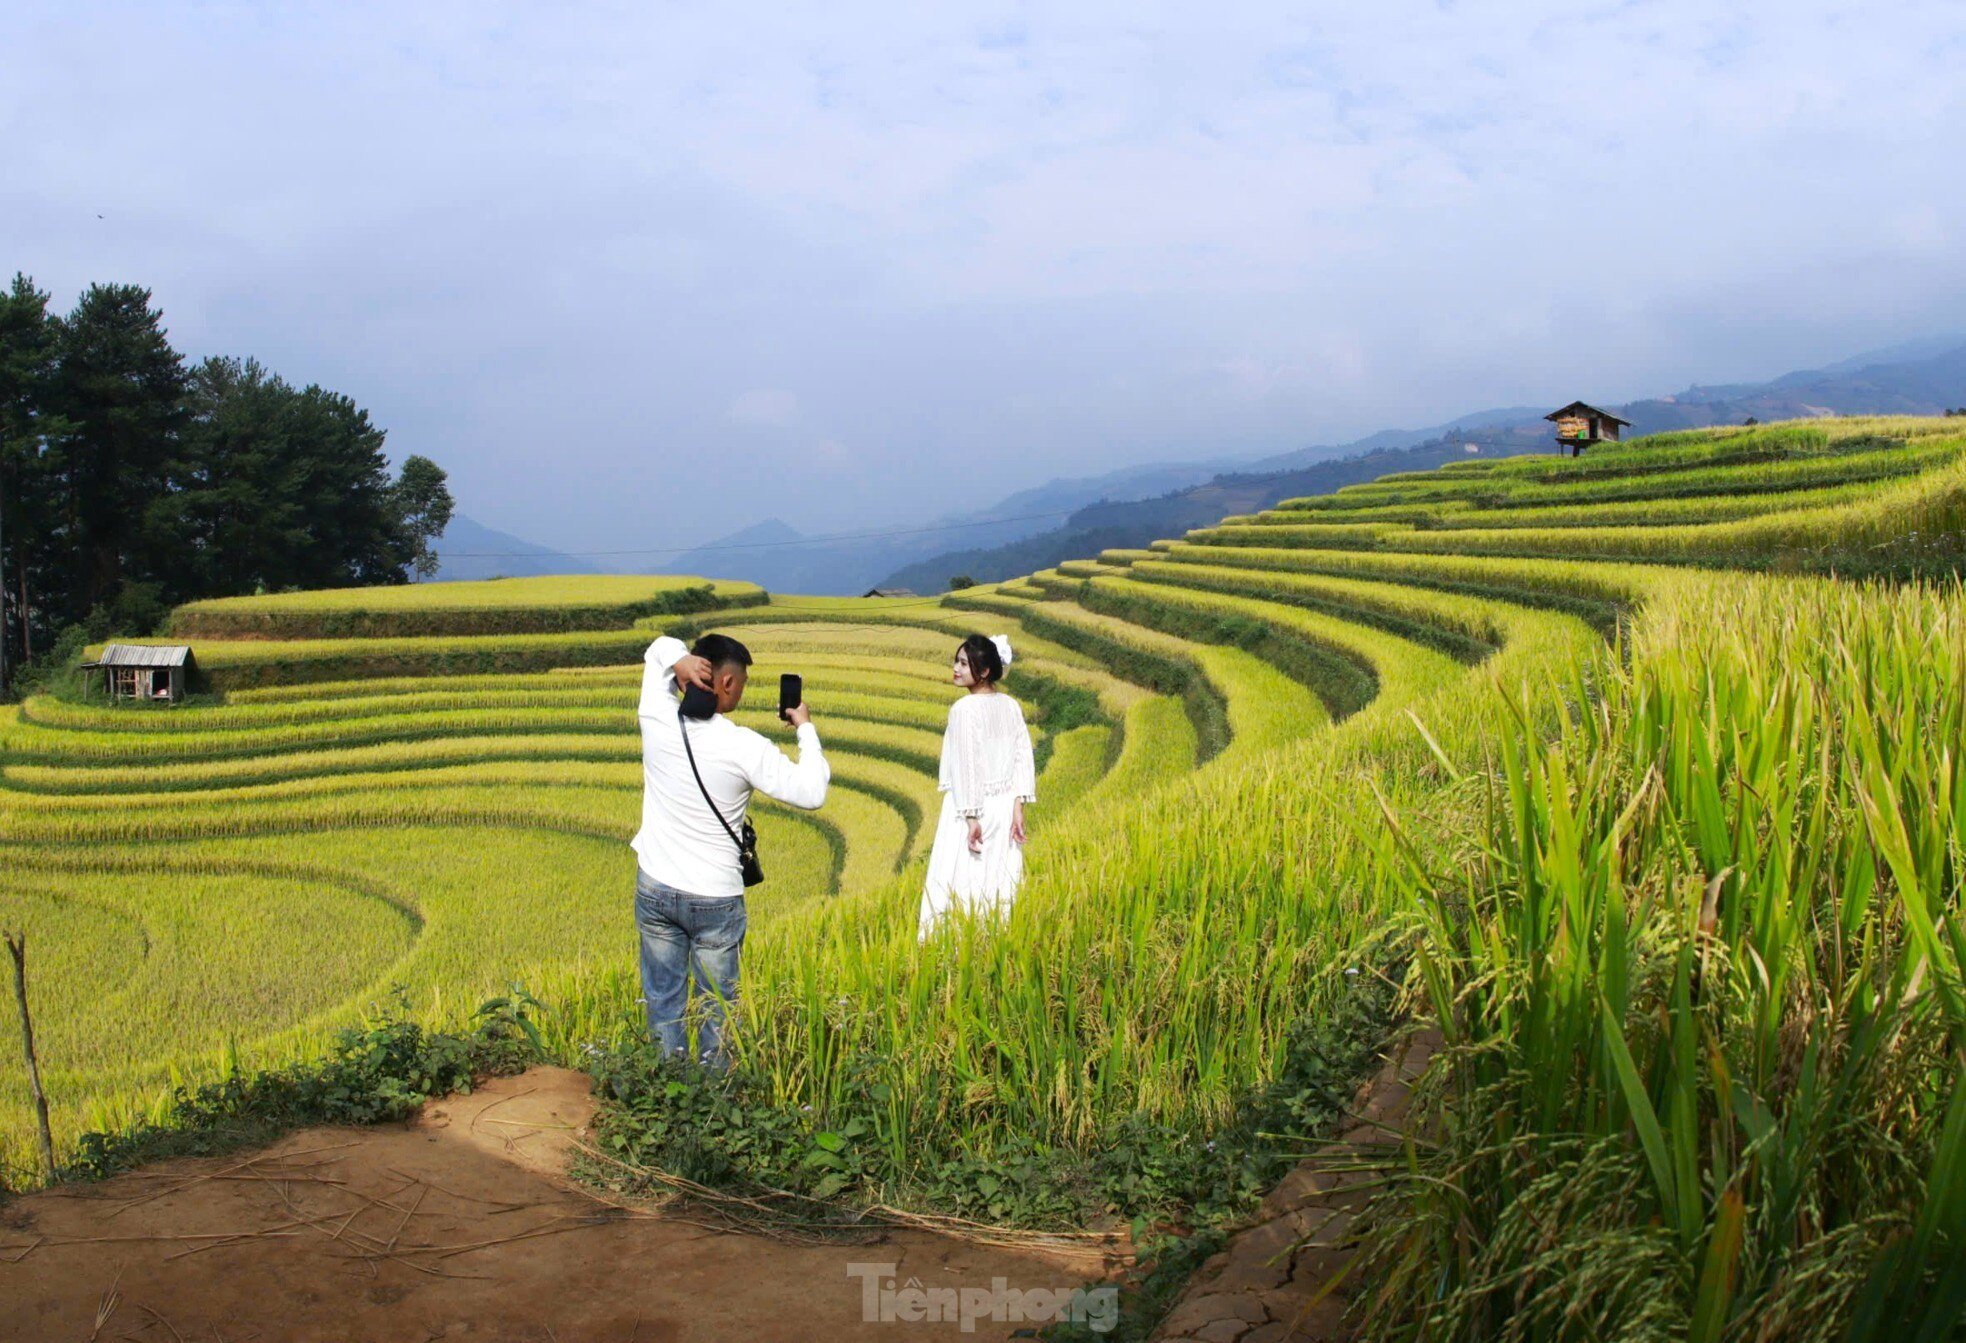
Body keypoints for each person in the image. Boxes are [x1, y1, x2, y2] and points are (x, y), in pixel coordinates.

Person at [633, 632, 828, 1069]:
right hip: (715, 900)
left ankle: (663, 1092)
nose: (742, 691)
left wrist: (679, 659)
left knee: (663, 1002)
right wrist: (806, 728)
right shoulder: (744, 746)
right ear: (725, 684)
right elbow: (812, 791)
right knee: (717, 1013)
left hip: (656, 887)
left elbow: (656, 650)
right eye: (741, 682)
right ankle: (714, 1108)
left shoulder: (657, 715)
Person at [918, 633, 1037, 938]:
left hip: (971, 809)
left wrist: (971, 818)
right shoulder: (1011, 706)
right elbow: (1022, 756)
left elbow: (967, 764)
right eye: (955, 661)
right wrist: (1018, 807)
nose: (955, 668)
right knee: (995, 882)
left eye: (963, 663)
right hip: (1003, 808)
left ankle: (954, 948)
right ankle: (993, 942)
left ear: (983, 672)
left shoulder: (963, 710)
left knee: (960, 879)